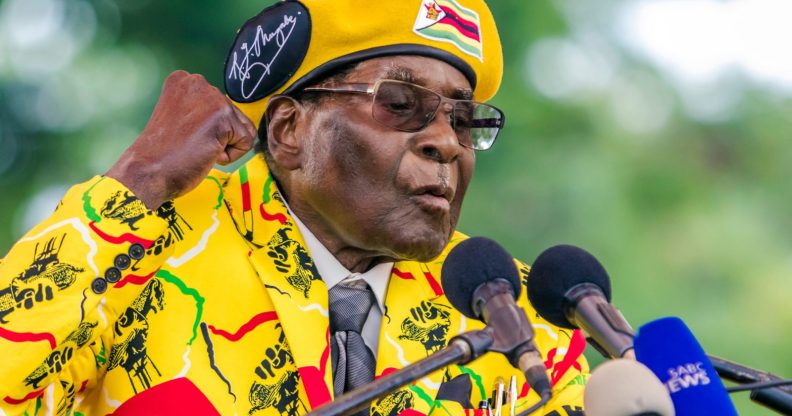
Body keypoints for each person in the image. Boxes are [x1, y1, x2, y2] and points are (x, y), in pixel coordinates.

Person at [0, 0, 588, 414]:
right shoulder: (146, 243)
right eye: (403, 103)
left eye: (464, 119)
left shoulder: (519, 317)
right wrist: (137, 181)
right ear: (288, 130)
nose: (448, 142)